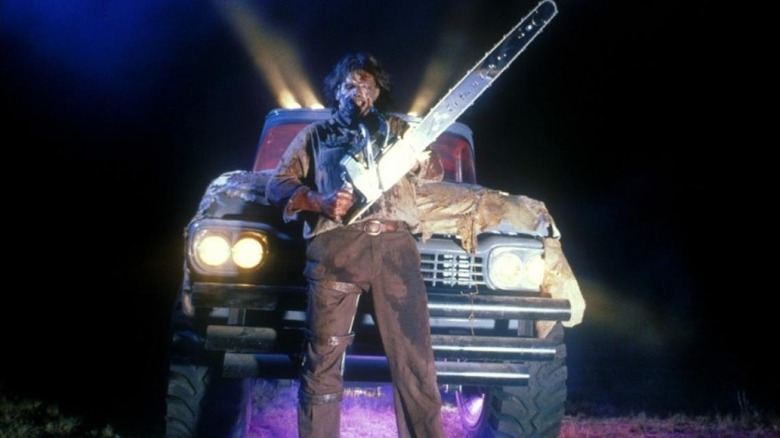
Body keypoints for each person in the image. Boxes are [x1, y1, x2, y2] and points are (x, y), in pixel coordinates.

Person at [266, 52, 445, 438]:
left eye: (367, 85)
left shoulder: (398, 129)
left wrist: (415, 160)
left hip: (396, 248)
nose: (359, 91)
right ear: (337, 91)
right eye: (351, 84)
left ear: (378, 92)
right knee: (323, 359)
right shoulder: (316, 136)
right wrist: (319, 200)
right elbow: (276, 184)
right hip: (336, 249)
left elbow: (435, 169)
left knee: (415, 361)